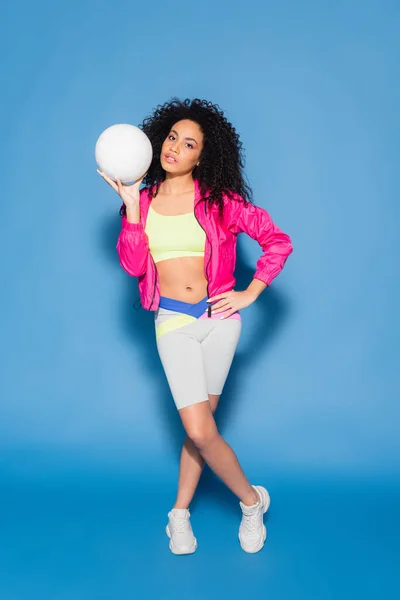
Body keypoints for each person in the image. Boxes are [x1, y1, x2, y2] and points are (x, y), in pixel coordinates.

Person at [97, 98, 293, 555]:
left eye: (188, 144)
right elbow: (132, 265)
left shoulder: (219, 201)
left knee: (197, 429)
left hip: (220, 322)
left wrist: (250, 292)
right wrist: (130, 210)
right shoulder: (142, 200)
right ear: (159, 140)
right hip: (173, 323)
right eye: (171, 137)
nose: (174, 148)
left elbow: (277, 242)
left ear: (200, 156)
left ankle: (179, 514)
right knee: (202, 431)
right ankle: (251, 501)